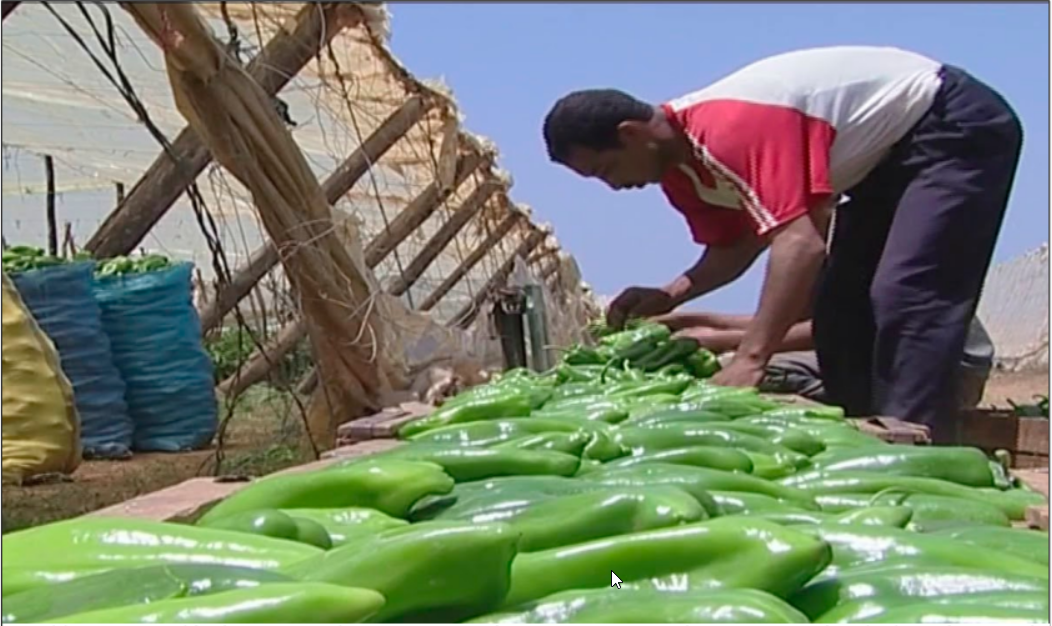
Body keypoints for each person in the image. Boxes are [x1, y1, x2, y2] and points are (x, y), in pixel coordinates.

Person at [542, 46, 1022, 441]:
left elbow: (800, 244)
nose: (612, 188)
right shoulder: (683, 175)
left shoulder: (726, 131)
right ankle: (863, 429)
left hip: (950, 124)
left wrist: (752, 358)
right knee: (841, 309)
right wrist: (670, 294)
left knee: (907, 292)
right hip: (881, 166)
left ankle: (919, 442)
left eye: (606, 171)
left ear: (631, 135)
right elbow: (735, 246)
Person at [656, 311, 995, 411]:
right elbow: (782, 320)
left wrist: (724, 342)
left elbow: (831, 329)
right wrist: (695, 320)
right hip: (891, 358)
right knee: (737, 361)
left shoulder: (834, 237)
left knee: (745, 368)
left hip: (949, 373)